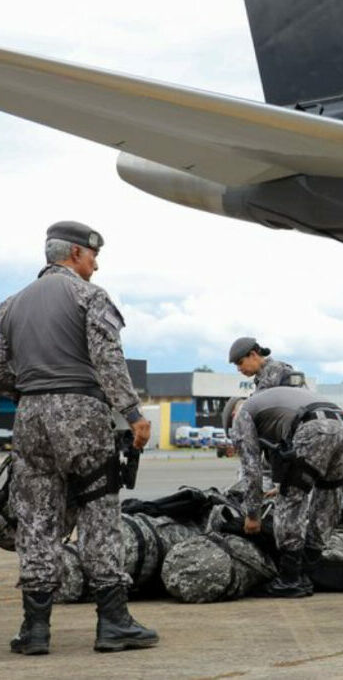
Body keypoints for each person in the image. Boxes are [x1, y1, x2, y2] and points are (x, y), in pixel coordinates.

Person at [0, 222, 158, 654]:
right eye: (92, 255)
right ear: (74, 254)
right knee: (99, 513)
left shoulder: (9, 305)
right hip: (82, 412)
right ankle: (113, 622)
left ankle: (34, 630)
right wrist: (131, 412)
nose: (96, 263)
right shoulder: (89, 296)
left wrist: (30, 392)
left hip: (29, 415)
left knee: (35, 520)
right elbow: (108, 358)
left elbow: (0, 368)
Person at [223, 385, 343, 598]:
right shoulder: (270, 404)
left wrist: (252, 514)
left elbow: (251, 469)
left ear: (232, 417)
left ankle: (290, 579)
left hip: (313, 428)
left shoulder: (243, 415)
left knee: (291, 500)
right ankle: (308, 573)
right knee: (327, 497)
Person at [228, 337, 296, 393]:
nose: (238, 369)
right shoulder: (260, 378)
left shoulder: (281, 372)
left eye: (240, 363)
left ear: (253, 355)